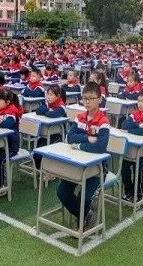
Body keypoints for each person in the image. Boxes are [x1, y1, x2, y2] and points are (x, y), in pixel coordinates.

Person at [57, 82, 110, 230]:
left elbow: (99, 147)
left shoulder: (103, 122)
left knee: (83, 198)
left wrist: (80, 145)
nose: (87, 101)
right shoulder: (80, 117)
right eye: (84, 98)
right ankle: (87, 214)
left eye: (91, 98)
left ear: (99, 99)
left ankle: (83, 217)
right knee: (62, 192)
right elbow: (70, 137)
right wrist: (87, 138)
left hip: (97, 169)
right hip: (78, 164)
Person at [121, 89, 143, 202]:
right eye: (139, 101)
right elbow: (124, 124)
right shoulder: (134, 114)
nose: (140, 104)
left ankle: (138, 194)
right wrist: (140, 125)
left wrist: (133, 128)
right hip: (133, 151)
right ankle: (129, 191)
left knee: (139, 167)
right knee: (123, 167)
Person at [33, 85, 67, 168]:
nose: (48, 97)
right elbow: (38, 111)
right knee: (37, 149)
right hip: (48, 132)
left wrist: (47, 111)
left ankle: (47, 170)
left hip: (58, 135)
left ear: (58, 96)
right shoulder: (48, 104)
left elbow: (52, 114)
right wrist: (48, 109)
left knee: (43, 149)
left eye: (51, 95)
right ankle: (40, 170)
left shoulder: (61, 106)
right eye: (47, 94)